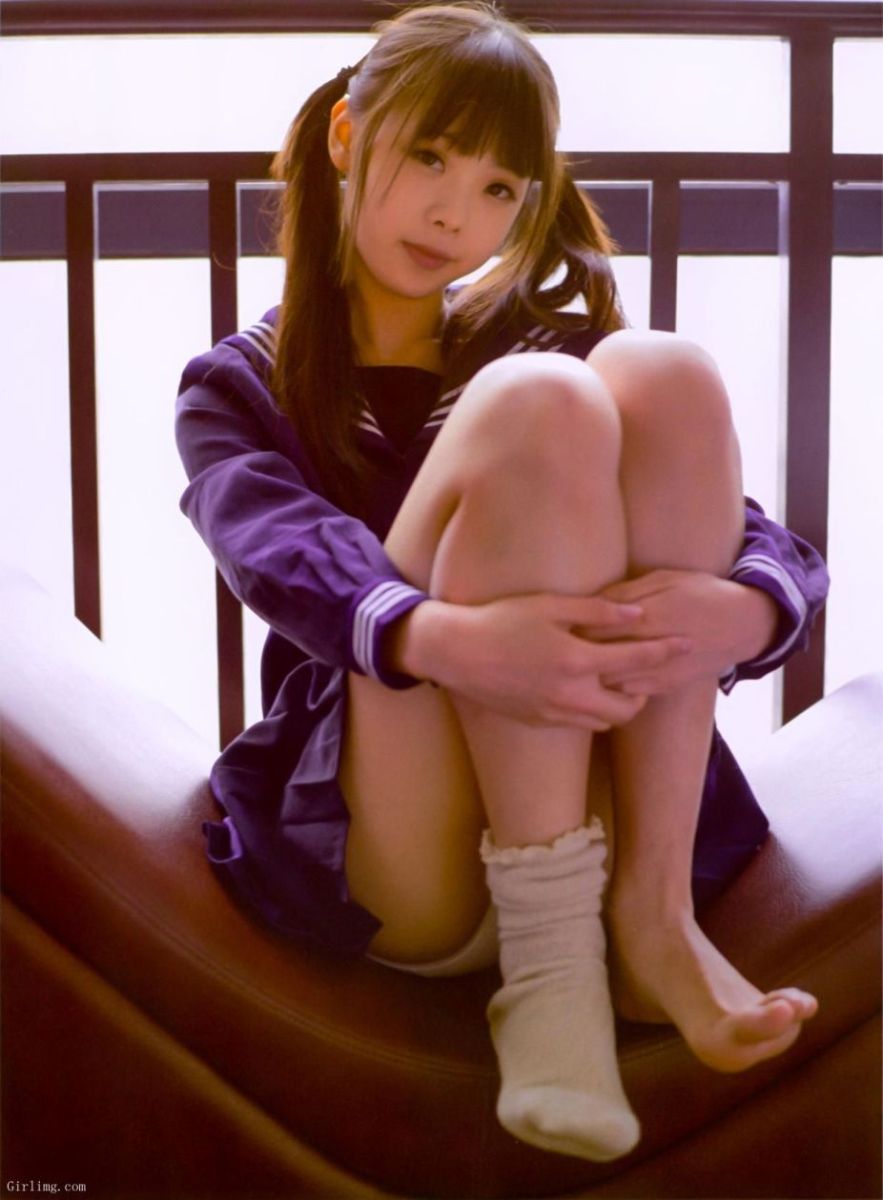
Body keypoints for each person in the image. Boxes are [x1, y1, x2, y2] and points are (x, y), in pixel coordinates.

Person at [175, 1, 828, 1164]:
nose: (454, 214)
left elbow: (751, 533)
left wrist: (747, 607)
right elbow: (271, 544)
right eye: (430, 156)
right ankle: (548, 964)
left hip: (609, 809)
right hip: (410, 849)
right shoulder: (242, 383)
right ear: (345, 135)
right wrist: (446, 640)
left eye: (497, 188)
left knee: (663, 368)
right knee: (538, 402)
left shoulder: (543, 345)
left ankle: (653, 919)